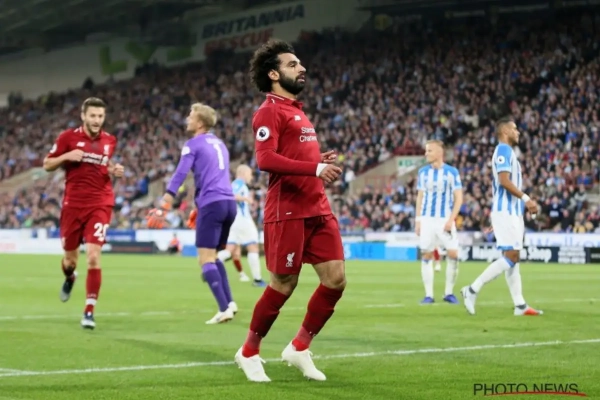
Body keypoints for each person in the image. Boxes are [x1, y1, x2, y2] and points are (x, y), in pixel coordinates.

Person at [234, 39, 345, 383]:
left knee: (336, 280)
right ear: (273, 74)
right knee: (284, 283)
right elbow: (265, 159)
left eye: (300, 63)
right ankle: (249, 352)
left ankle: (299, 347)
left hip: (318, 208)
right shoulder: (269, 111)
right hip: (288, 210)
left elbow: (293, 155)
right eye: (293, 64)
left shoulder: (297, 110)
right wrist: (315, 168)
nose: (302, 68)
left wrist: (316, 159)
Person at [146, 103, 238, 325]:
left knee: (204, 259)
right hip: (228, 203)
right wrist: (199, 207)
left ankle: (223, 309)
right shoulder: (220, 144)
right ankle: (230, 303)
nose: (187, 119)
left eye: (191, 116)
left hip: (213, 204)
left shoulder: (193, 144)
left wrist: (164, 204)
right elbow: (216, 178)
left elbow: (180, 174)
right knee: (215, 256)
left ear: (200, 123)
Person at [43, 97, 124, 330]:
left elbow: (104, 163)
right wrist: (66, 157)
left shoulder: (110, 140)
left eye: (100, 116)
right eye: (93, 116)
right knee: (70, 261)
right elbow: (47, 164)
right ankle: (70, 277)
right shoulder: (67, 138)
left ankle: (89, 311)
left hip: (100, 203)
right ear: (83, 116)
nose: (97, 120)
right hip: (73, 205)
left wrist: (114, 169)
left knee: (93, 256)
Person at [460, 116, 543, 316]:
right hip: (506, 212)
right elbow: (503, 181)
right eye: (514, 128)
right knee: (512, 257)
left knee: (513, 257)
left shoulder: (508, 152)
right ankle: (472, 290)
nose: (518, 132)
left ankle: (520, 305)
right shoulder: (503, 150)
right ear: (505, 131)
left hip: (509, 212)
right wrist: (526, 199)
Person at [415, 140, 463, 305]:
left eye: (429, 151)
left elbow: (459, 198)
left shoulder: (452, 172)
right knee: (427, 254)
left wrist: (451, 219)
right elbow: (420, 197)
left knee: (453, 254)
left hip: (445, 219)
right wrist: (418, 220)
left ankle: (448, 293)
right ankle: (429, 295)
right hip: (427, 219)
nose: (426, 154)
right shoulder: (423, 172)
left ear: (439, 152)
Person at [218, 164, 266, 286]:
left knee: (229, 250)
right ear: (244, 173)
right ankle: (257, 279)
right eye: (249, 174)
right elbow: (231, 195)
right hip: (242, 220)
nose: (251, 177)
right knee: (253, 247)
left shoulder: (234, 184)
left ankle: (211, 263)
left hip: (233, 221)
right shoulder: (238, 184)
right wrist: (246, 199)